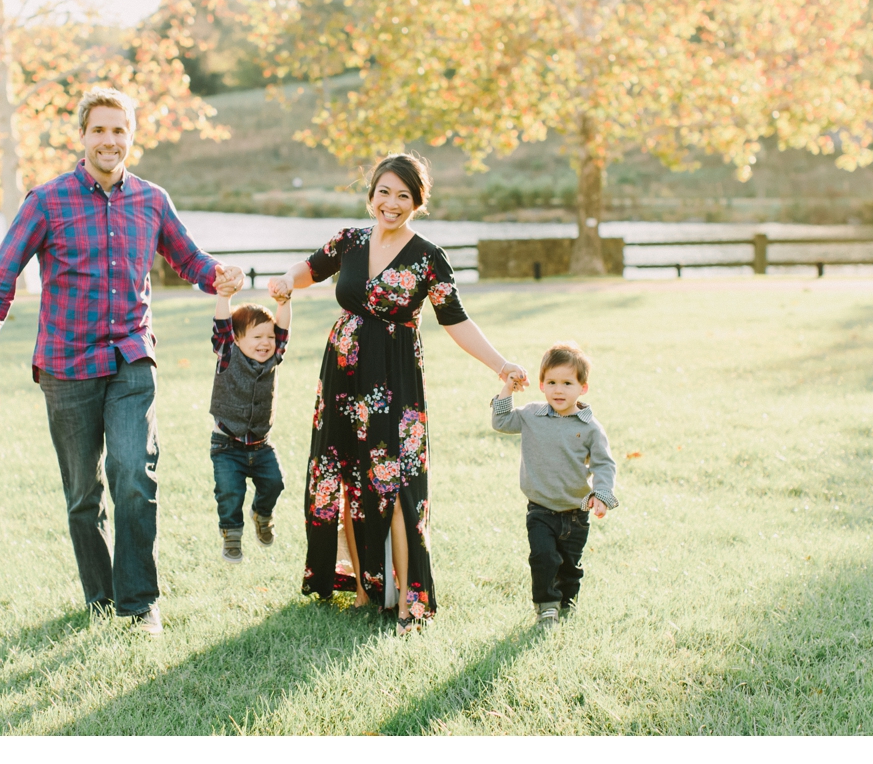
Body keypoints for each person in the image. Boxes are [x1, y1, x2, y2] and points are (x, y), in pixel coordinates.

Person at [0, 86, 244, 636]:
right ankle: (100, 598)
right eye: (100, 130)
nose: (109, 140)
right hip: (66, 366)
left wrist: (218, 275)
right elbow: (2, 274)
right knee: (84, 495)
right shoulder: (47, 201)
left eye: (119, 130)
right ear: (82, 137)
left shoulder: (152, 200)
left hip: (132, 357)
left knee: (134, 472)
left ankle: (139, 606)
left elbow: (187, 256)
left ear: (131, 136)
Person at [269, 152, 528, 635]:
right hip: (342, 373)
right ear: (371, 196)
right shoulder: (350, 241)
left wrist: (501, 363)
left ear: (417, 203)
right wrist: (286, 281)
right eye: (384, 192)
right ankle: (364, 589)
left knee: (397, 481)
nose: (391, 203)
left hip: (393, 379)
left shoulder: (428, 257)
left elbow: (455, 319)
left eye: (403, 196)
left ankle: (410, 599)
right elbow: (309, 268)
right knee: (343, 470)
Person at [490, 341, 619, 628]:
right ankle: (547, 606)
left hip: (576, 511)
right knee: (543, 557)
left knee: (569, 565)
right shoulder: (532, 415)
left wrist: (602, 494)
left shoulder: (589, 426)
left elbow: (604, 464)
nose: (558, 390)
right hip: (540, 509)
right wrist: (508, 388)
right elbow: (500, 422)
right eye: (551, 382)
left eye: (567, 383)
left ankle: (567, 601)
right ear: (541, 385)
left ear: (582, 388)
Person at [208, 280, 291, 563]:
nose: (266, 343)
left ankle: (263, 514)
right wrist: (224, 296)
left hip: (261, 445)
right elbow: (221, 326)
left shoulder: (273, 359)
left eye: (269, 337)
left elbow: (283, 331)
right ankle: (231, 535)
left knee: (275, 483)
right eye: (257, 337)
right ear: (237, 340)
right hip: (227, 446)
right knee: (229, 492)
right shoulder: (227, 355)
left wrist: (284, 303)